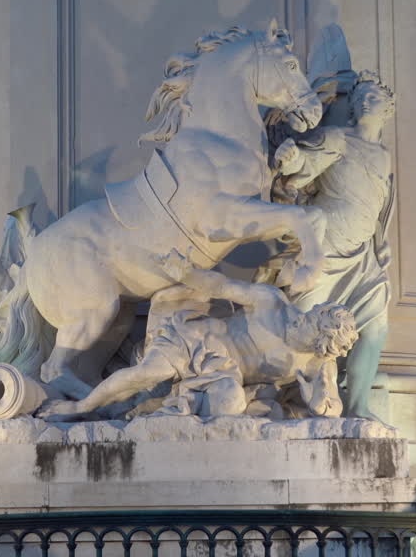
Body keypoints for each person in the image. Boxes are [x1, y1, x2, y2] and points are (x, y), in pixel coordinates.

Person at [39, 250, 357, 420]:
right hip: (198, 341)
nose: (299, 320)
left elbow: (331, 407)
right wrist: (187, 273)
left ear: (320, 345)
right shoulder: (273, 303)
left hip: (224, 376)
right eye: (310, 315)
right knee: (147, 374)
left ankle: (154, 414)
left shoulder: (315, 366)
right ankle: (81, 408)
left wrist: (316, 401)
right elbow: (223, 287)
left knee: (229, 405)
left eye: (308, 326)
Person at [265, 73, 395, 423]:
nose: (368, 101)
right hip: (326, 248)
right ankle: (291, 397)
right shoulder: (338, 140)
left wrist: (382, 247)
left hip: (364, 256)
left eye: (375, 98)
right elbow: (304, 167)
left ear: (388, 110)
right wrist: (291, 160)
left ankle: (358, 407)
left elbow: (382, 208)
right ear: (352, 107)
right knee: (304, 325)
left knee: (375, 328)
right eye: (362, 96)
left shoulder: (384, 158)